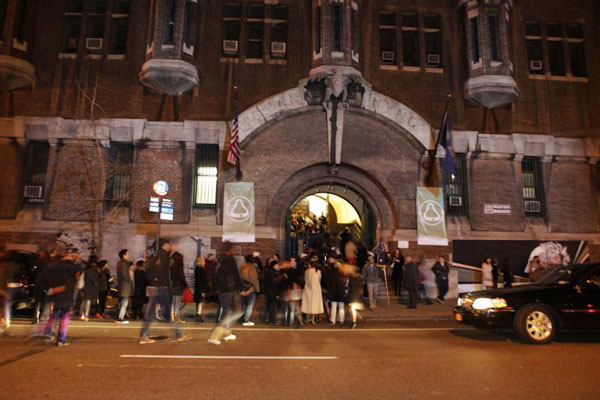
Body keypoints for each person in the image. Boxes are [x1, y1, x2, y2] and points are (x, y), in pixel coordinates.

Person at [139, 238, 191, 344]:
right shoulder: (162, 257)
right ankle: (179, 334)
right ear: (164, 245)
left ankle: (144, 335)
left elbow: (148, 272)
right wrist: (160, 282)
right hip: (161, 288)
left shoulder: (154, 256)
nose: (170, 247)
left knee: (150, 312)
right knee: (166, 313)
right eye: (169, 245)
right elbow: (159, 274)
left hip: (154, 287)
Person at [37, 247, 84, 345]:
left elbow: (41, 278)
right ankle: (61, 339)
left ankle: (48, 333)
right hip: (65, 294)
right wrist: (76, 260)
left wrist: (48, 289)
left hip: (55, 294)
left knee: (54, 314)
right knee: (64, 317)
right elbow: (79, 268)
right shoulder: (65, 265)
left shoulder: (50, 264)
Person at [208, 241, 247, 345]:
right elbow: (236, 275)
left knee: (226, 311)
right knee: (227, 313)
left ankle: (226, 333)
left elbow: (215, 275)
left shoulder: (219, 260)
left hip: (221, 290)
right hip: (229, 289)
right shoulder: (230, 260)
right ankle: (214, 336)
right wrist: (241, 288)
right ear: (230, 250)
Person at [301, 258, 324, 324]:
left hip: (307, 289)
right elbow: (319, 280)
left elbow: (305, 280)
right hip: (316, 289)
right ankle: (313, 320)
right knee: (315, 303)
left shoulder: (306, 271)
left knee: (307, 302)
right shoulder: (318, 271)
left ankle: (307, 319)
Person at [240, 254, 260, 326]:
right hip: (250, 288)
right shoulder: (252, 267)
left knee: (244, 304)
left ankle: (242, 318)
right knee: (250, 304)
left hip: (243, 287)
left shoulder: (242, 266)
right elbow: (254, 279)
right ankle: (246, 320)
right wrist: (257, 288)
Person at [169, 252, 188, 324]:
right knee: (177, 303)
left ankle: (172, 317)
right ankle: (177, 318)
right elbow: (182, 277)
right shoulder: (179, 266)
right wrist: (185, 284)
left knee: (173, 302)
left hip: (172, 286)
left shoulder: (171, 266)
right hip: (179, 286)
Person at [328, 261, 348, 326]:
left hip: (334, 292)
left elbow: (330, 282)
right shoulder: (343, 273)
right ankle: (342, 320)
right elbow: (345, 283)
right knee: (341, 307)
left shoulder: (333, 273)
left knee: (333, 307)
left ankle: (333, 320)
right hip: (341, 292)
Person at [116, 249, 133, 323]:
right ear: (124, 255)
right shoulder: (125, 262)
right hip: (125, 285)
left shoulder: (119, 262)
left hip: (121, 284)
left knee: (120, 301)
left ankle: (118, 316)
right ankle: (121, 317)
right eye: (127, 254)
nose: (128, 255)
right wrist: (129, 280)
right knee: (124, 301)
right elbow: (125, 274)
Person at [82, 255, 100, 321]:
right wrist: (95, 282)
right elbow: (93, 276)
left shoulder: (87, 267)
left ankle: (82, 314)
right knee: (88, 301)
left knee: (85, 300)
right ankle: (86, 314)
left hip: (86, 285)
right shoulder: (94, 267)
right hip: (91, 286)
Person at [193, 257, 208, 322]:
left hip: (197, 287)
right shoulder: (202, 269)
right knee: (200, 302)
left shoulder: (196, 269)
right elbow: (203, 280)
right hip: (201, 288)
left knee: (198, 302)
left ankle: (198, 315)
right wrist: (204, 289)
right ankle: (199, 315)